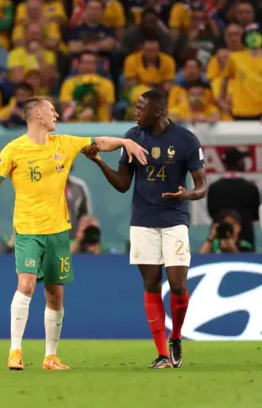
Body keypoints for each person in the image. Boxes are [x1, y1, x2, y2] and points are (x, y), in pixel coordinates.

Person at [0, 96, 147, 371]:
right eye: (51, 110)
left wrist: (125, 142)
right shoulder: (13, 149)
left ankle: (50, 356)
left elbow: (98, 143)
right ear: (36, 114)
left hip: (58, 232)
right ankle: (15, 351)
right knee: (27, 284)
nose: (56, 113)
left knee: (55, 296)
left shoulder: (64, 143)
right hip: (28, 230)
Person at [86, 90, 207, 369]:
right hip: (142, 220)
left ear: (158, 112)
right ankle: (163, 353)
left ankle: (176, 336)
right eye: (136, 107)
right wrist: (99, 162)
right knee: (151, 284)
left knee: (177, 286)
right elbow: (122, 184)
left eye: (141, 108)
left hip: (175, 219)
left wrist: (186, 195)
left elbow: (202, 186)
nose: (136, 112)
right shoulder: (132, 137)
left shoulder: (186, 140)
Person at [207, 148, 260, 250]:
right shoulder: (250, 188)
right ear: (239, 162)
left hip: (219, 241)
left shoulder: (214, 188)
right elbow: (256, 215)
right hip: (245, 240)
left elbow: (212, 213)